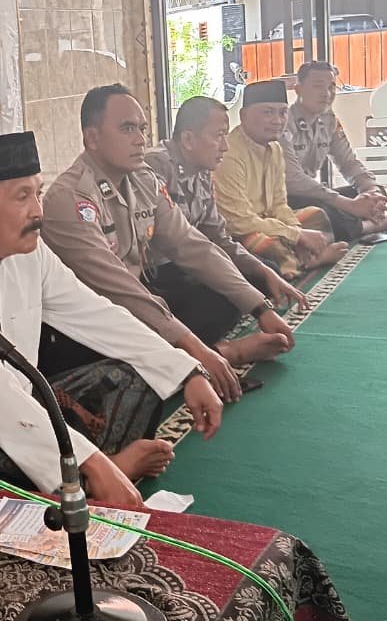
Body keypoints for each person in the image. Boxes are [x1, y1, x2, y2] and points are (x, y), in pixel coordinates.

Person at [0, 131, 225, 550]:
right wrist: (92, 461)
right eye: (22, 197)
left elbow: (97, 314)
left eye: (37, 193)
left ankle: (76, 480)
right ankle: (87, 478)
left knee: (132, 376)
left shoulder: (29, 250)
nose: (38, 211)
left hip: (23, 411)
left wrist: (186, 371)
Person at [41, 85, 300, 403]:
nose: (140, 139)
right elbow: (121, 292)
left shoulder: (143, 179)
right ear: (92, 138)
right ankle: (220, 355)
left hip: (138, 304)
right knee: (119, 367)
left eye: (142, 128)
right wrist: (197, 348)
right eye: (127, 129)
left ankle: (187, 363)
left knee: (219, 297)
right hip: (92, 326)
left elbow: (192, 245)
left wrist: (260, 307)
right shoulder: (70, 199)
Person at [144, 95, 309, 318]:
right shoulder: (156, 166)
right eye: (219, 135)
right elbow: (183, 245)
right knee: (222, 304)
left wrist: (263, 271)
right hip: (158, 271)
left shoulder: (202, 169)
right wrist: (255, 303)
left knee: (263, 273)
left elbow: (219, 238)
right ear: (188, 139)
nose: (225, 146)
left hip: (194, 261)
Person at [214, 78, 348, 279]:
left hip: (268, 223)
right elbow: (238, 222)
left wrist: (296, 232)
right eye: (268, 112)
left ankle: (302, 259)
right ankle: (304, 262)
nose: (277, 121)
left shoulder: (275, 148)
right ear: (244, 116)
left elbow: (279, 204)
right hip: (240, 231)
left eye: (283, 112)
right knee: (264, 244)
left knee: (316, 214)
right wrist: (297, 236)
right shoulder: (229, 154)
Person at [282, 61, 387, 242]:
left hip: (315, 193)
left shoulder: (329, 121)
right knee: (323, 210)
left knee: (373, 192)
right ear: (298, 89)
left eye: (331, 87)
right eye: (318, 86)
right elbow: (294, 180)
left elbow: (348, 163)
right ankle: (371, 226)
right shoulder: (283, 123)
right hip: (290, 197)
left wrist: (371, 192)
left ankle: (360, 220)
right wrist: (348, 205)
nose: (326, 94)